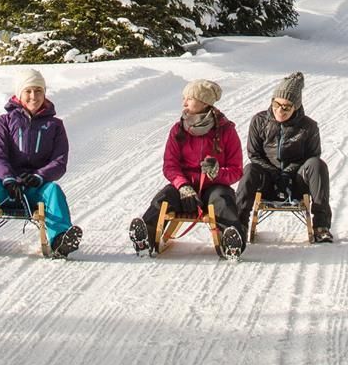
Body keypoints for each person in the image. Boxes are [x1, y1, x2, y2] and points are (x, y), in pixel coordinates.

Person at [0, 68, 83, 258]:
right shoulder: (5, 122)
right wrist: (7, 178)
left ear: (45, 93)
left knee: (53, 191)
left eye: (38, 91)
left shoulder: (55, 125)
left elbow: (59, 161)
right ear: (19, 93)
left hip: (36, 188)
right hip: (8, 187)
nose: (34, 96)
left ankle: (60, 240)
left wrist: (40, 176)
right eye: (28, 91)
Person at [130, 78, 245, 258]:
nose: (184, 103)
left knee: (222, 201)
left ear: (204, 102)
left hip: (214, 186)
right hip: (185, 186)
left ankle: (232, 242)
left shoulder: (226, 131)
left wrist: (216, 173)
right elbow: (170, 165)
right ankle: (146, 238)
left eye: (189, 98)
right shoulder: (178, 130)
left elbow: (236, 170)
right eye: (184, 98)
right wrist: (182, 185)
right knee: (163, 198)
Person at [240, 71, 332, 242]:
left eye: (286, 107)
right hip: (268, 180)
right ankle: (238, 225)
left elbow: (312, 155)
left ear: (295, 107)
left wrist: (288, 173)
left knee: (317, 164)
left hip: (296, 182)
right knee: (250, 170)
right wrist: (275, 174)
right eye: (276, 104)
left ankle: (321, 225)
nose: (280, 111)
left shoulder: (308, 127)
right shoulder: (259, 121)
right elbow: (254, 154)